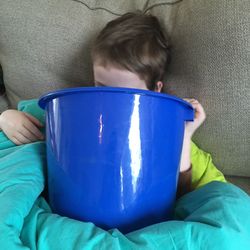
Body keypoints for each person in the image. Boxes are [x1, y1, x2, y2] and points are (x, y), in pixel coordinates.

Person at [0, 12, 226, 195]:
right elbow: (39, 118)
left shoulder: (167, 128)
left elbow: (187, 192)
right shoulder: (79, 109)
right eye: (102, 87)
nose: (111, 100)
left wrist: (185, 136)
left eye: (126, 92)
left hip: (142, 219)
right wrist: (7, 117)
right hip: (73, 207)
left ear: (155, 89)